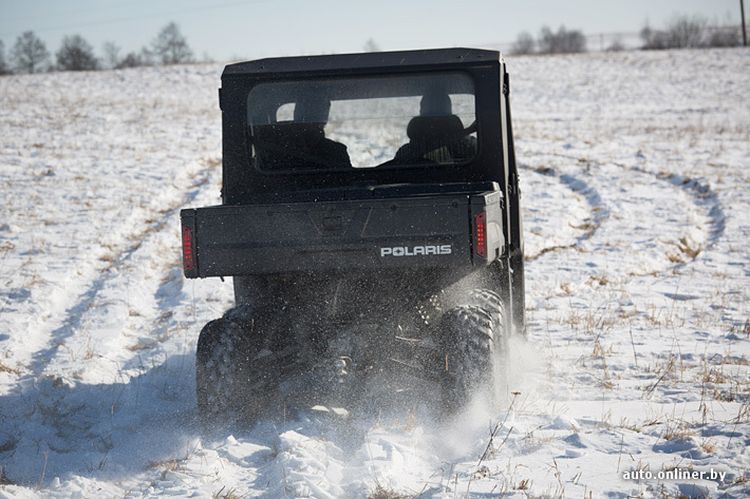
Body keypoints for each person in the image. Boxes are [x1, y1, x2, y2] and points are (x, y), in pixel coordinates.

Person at [391, 91, 476, 165]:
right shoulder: (469, 147)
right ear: (449, 112)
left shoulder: (406, 153)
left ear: (421, 112)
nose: (435, 122)